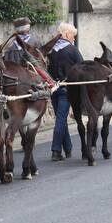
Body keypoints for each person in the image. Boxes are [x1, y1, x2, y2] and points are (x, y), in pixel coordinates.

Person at [48, 22, 82, 161]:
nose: (74, 39)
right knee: (61, 119)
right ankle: (56, 150)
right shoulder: (72, 50)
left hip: (53, 88)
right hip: (67, 88)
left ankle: (67, 148)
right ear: (67, 35)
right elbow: (82, 67)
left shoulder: (50, 50)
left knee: (60, 118)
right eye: (73, 36)